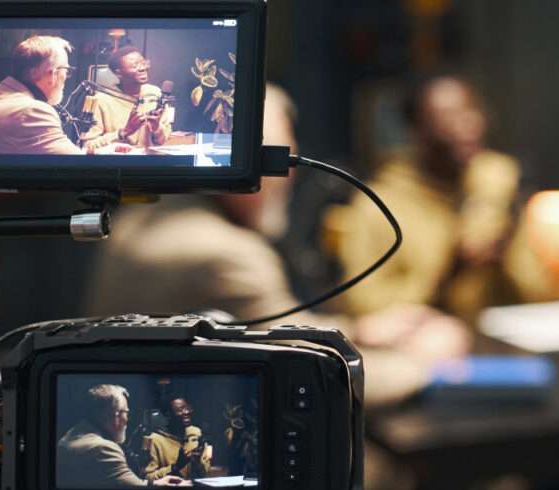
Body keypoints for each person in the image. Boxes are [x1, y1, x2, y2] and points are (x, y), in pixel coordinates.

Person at [86, 84, 470, 405]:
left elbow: (269, 329)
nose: (289, 177)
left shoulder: (146, 218)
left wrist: (360, 330)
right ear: (243, 163)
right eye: (278, 161)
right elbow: (310, 378)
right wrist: (426, 365)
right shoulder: (224, 254)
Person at [330, 72, 549, 323]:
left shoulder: (494, 186)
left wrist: (505, 253)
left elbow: (539, 292)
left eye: (472, 111)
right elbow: (363, 306)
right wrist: (451, 271)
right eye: (448, 117)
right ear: (416, 131)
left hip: (496, 338)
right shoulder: (378, 205)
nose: (468, 125)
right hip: (422, 343)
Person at [0, 35, 85, 155]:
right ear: (34, 73)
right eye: (65, 70)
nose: (65, 76)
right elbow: (77, 163)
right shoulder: (32, 111)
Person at [57, 384, 189, 488]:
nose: (127, 420)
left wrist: (154, 484)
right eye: (126, 413)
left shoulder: (71, 436)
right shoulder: (103, 448)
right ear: (116, 416)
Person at [81, 45, 172, 151]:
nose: (142, 68)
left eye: (143, 63)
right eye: (134, 65)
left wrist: (157, 128)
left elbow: (163, 139)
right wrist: (123, 132)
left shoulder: (155, 93)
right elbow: (87, 146)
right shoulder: (101, 100)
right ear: (118, 73)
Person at [144, 395, 213, 481]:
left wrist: (197, 461)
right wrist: (175, 467)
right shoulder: (154, 440)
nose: (187, 412)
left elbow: (205, 472)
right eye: (180, 409)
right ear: (168, 414)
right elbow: (148, 478)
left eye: (188, 408)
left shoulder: (195, 434)